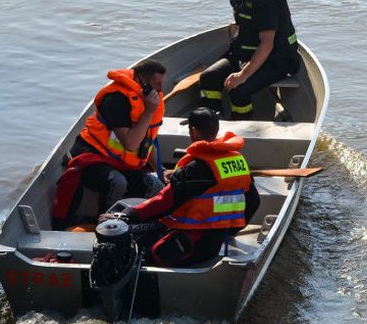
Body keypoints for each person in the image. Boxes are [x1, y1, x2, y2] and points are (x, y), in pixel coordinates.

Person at [108, 107, 260, 267]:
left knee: (138, 251)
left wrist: (126, 215)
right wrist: (229, 232)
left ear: (193, 131)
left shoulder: (195, 169)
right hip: (216, 242)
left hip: (191, 246)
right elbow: (254, 201)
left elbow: (163, 203)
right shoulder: (237, 160)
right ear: (216, 129)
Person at [51, 59, 168, 230]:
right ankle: (107, 227)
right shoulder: (116, 99)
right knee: (117, 182)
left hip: (122, 162)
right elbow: (131, 143)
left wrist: (161, 170)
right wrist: (149, 112)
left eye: (162, 84)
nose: (160, 90)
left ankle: (136, 226)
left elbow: (147, 142)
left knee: (155, 185)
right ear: (142, 82)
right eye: (157, 84)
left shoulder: (146, 100)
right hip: (92, 159)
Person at [198, 0, 300, 119]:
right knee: (208, 77)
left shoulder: (268, 0)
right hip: (247, 54)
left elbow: (267, 45)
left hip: (277, 60)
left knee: (239, 90)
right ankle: (211, 120)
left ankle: (241, 125)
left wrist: (243, 74)